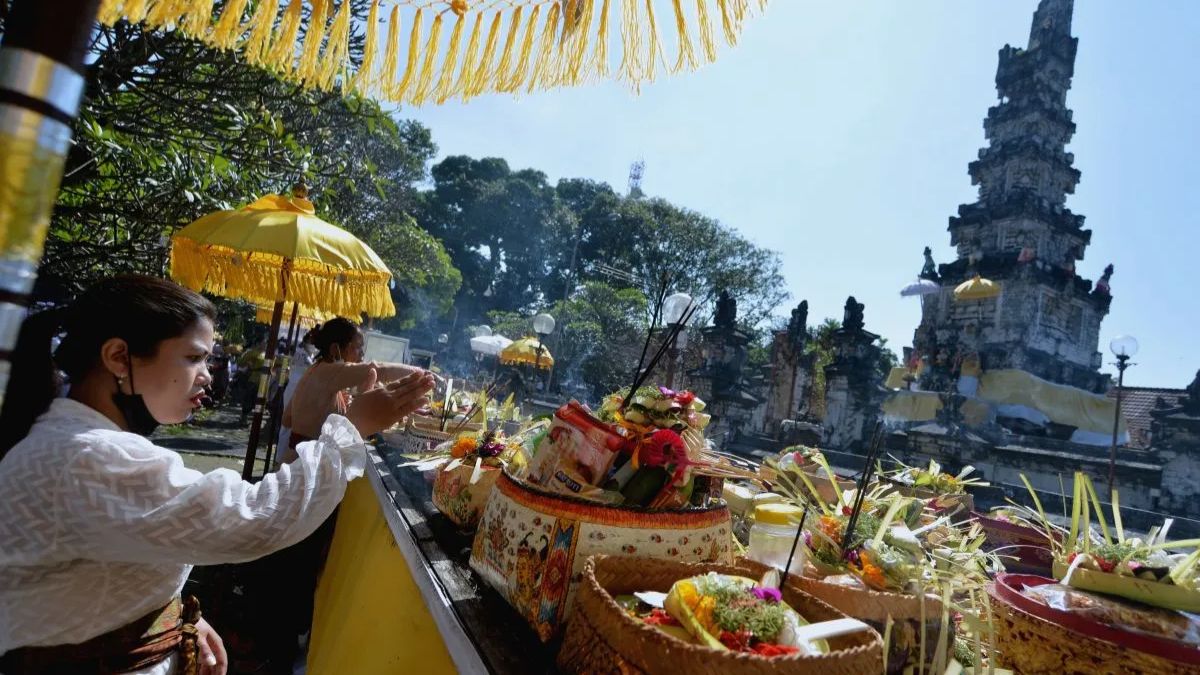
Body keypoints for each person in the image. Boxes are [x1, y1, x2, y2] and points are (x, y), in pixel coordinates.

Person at [0, 275, 435, 675]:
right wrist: (350, 430)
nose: (208, 376)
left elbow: (102, 573)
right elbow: (251, 519)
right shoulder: (89, 456)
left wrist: (170, 618)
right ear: (118, 357)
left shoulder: (81, 442)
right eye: (193, 358)